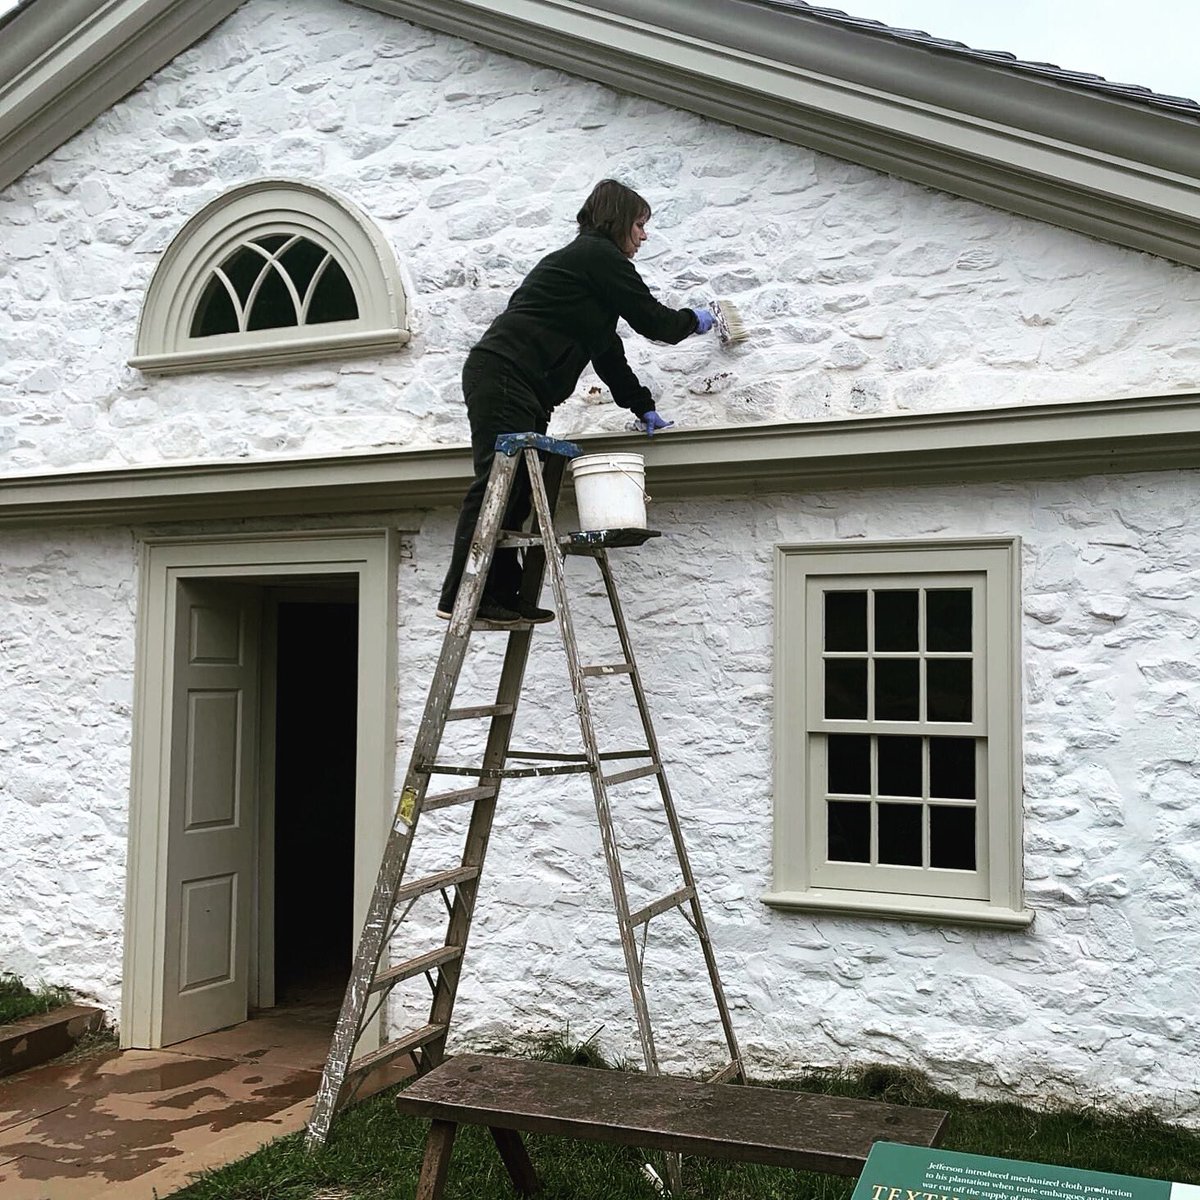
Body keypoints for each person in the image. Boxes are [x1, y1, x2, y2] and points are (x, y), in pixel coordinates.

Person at [437, 178, 717, 626]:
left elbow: (608, 353)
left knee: (520, 492)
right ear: (619, 220)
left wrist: (640, 403)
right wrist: (695, 321)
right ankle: (461, 595)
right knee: (497, 484)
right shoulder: (596, 256)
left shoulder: (590, 281)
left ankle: (500, 595)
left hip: (526, 385)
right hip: (503, 373)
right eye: (641, 224)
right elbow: (655, 322)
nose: (644, 235)